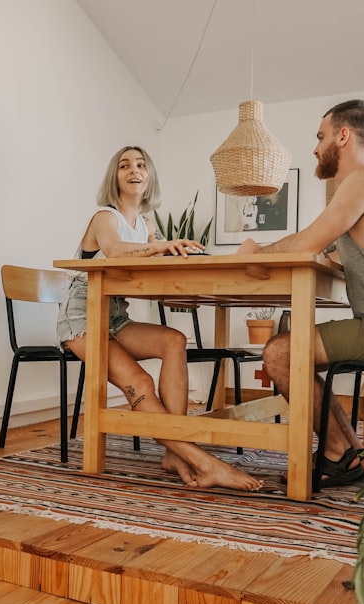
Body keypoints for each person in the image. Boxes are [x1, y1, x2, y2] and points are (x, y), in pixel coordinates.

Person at [236, 100, 364, 487]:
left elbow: (308, 242)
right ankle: (352, 457)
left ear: (343, 135)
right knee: (288, 349)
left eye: (320, 136)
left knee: (280, 352)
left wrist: (255, 253)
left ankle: (335, 455)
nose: (315, 148)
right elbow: (328, 250)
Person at [58, 146, 262, 492]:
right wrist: (158, 247)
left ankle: (173, 452)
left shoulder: (146, 224)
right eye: (124, 166)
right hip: (82, 319)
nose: (133, 170)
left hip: (116, 319)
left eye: (140, 165)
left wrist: (175, 252)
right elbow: (116, 251)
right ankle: (202, 461)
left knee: (174, 340)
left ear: (149, 176)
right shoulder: (104, 217)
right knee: (140, 381)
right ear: (115, 176)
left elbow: (155, 262)